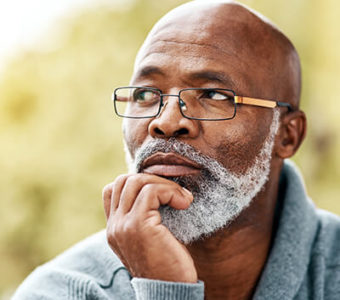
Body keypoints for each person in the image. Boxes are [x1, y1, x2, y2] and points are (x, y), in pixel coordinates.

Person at [13, 0, 340, 299]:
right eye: (146, 95)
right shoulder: (61, 291)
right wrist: (166, 291)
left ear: (287, 136)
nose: (166, 122)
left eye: (214, 95)